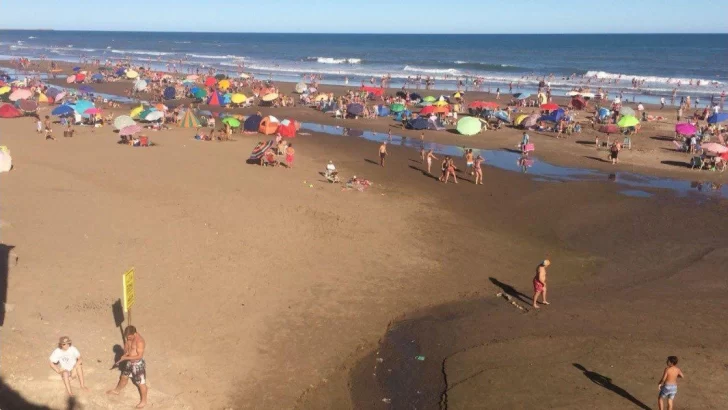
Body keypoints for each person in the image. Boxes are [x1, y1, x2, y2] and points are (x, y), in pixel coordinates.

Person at [107, 326, 148, 408]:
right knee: (123, 377)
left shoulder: (140, 341)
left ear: (134, 333)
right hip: (129, 362)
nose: (128, 338)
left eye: (129, 337)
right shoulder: (129, 338)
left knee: (141, 383)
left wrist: (126, 358)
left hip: (137, 364)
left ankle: (144, 401)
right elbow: (128, 350)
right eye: (127, 337)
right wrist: (125, 355)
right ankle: (117, 391)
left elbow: (139, 356)